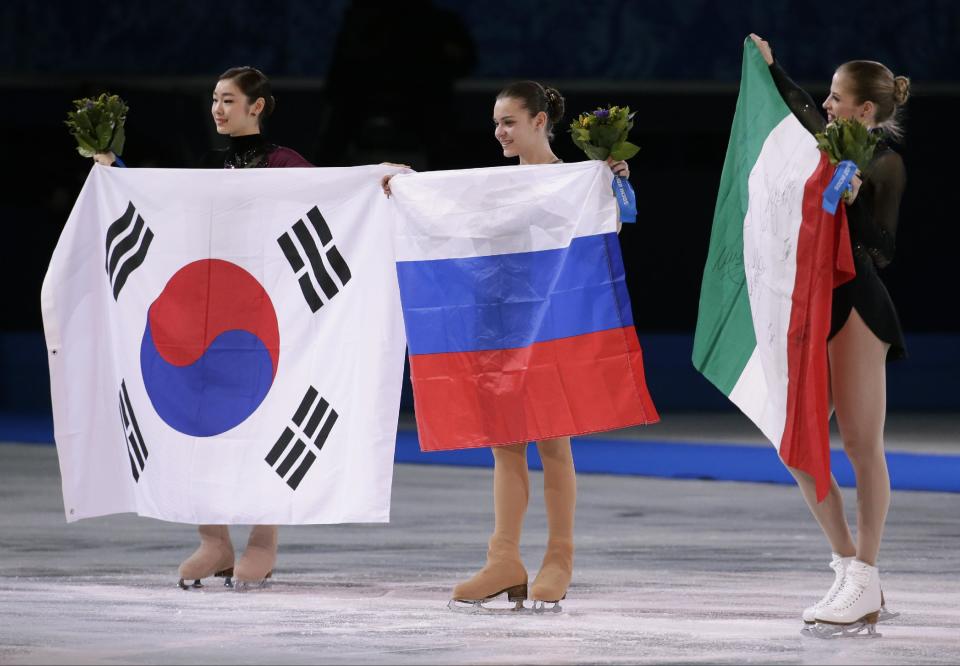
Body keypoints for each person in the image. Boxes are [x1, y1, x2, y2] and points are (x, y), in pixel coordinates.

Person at [384, 81, 631, 612]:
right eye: (496, 122)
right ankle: (504, 559)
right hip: (499, 323)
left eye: (509, 122)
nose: (499, 132)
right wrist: (407, 187)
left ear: (540, 121)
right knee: (504, 441)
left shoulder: (575, 182)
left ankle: (559, 558)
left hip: (551, 323)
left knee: (553, 441)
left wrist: (605, 184)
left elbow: (603, 236)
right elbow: (453, 220)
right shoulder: (494, 184)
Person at [95, 66, 312, 590]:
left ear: (256, 106)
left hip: (264, 316)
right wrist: (116, 170)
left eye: (229, 100)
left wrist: (376, 178)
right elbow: (163, 207)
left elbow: (332, 202)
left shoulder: (286, 163)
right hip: (207, 316)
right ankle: (214, 541)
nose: (218, 109)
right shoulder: (206, 165)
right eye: (214, 99)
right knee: (198, 419)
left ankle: (264, 542)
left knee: (265, 421)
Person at [749, 34, 910, 636]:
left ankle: (865, 571)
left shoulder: (885, 163)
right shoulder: (819, 144)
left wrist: (857, 201)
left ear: (865, 111)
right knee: (798, 438)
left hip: (859, 305)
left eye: (839, 98)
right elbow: (797, 107)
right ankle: (849, 563)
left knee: (859, 445)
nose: (829, 103)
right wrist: (770, 67)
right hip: (811, 303)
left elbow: (884, 251)